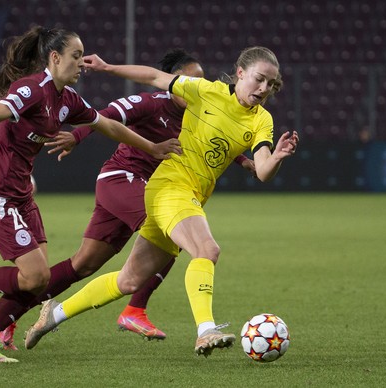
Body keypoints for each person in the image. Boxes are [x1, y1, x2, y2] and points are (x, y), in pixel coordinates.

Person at [24, 46, 299, 357]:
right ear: (239, 73)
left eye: (271, 85)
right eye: (259, 80)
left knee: (129, 281)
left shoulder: (263, 120)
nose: (263, 89)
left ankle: (54, 314)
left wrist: (276, 157)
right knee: (207, 250)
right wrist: (108, 67)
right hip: (169, 185)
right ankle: (205, 329)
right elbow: (155, 76)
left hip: (190, 196)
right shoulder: (205, 90)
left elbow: (262, 171)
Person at [0, 25, 181, 363]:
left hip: (22, 196)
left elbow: (107, 125)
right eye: (76, 56)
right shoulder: (33, 90)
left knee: (39, 281)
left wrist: (151, 147)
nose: (82, 64)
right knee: (35, 276)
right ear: (55, 57)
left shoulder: (66, 100)